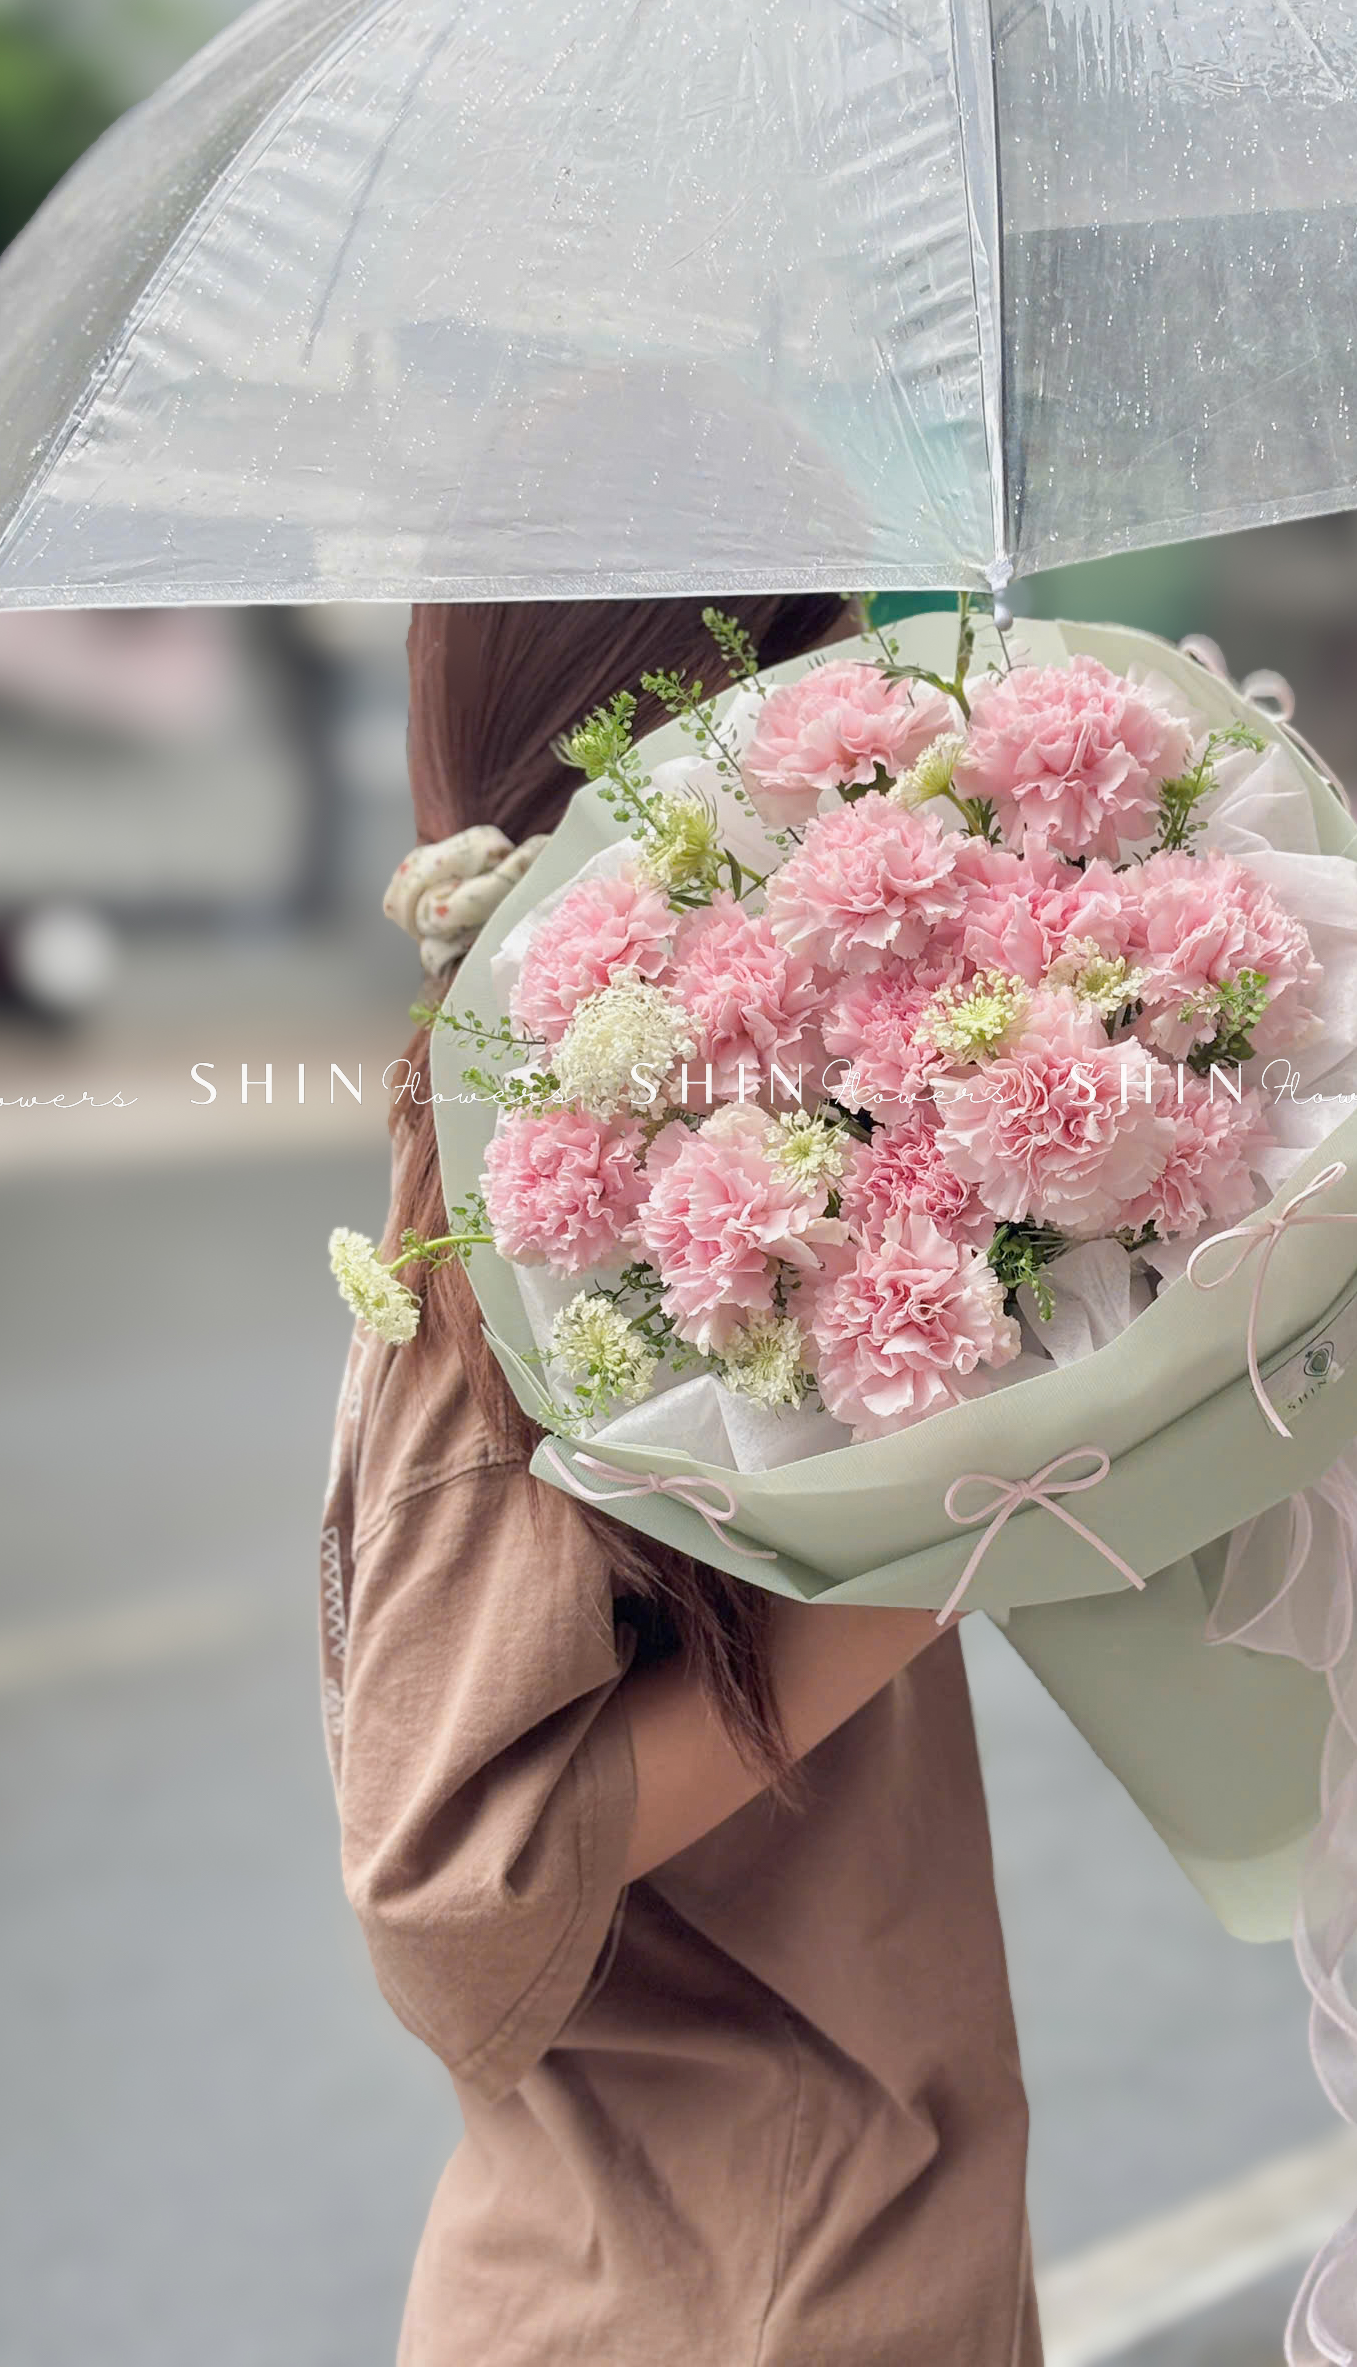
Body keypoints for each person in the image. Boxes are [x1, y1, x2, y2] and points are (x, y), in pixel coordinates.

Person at [319, 598, 1041, 2367]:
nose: (880, 716)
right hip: (727, 2292)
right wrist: (961, 1524)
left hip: (825, 2239)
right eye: (831, 665)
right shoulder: (529, 1220)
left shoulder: (751, 1138)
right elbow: (449, 1891)